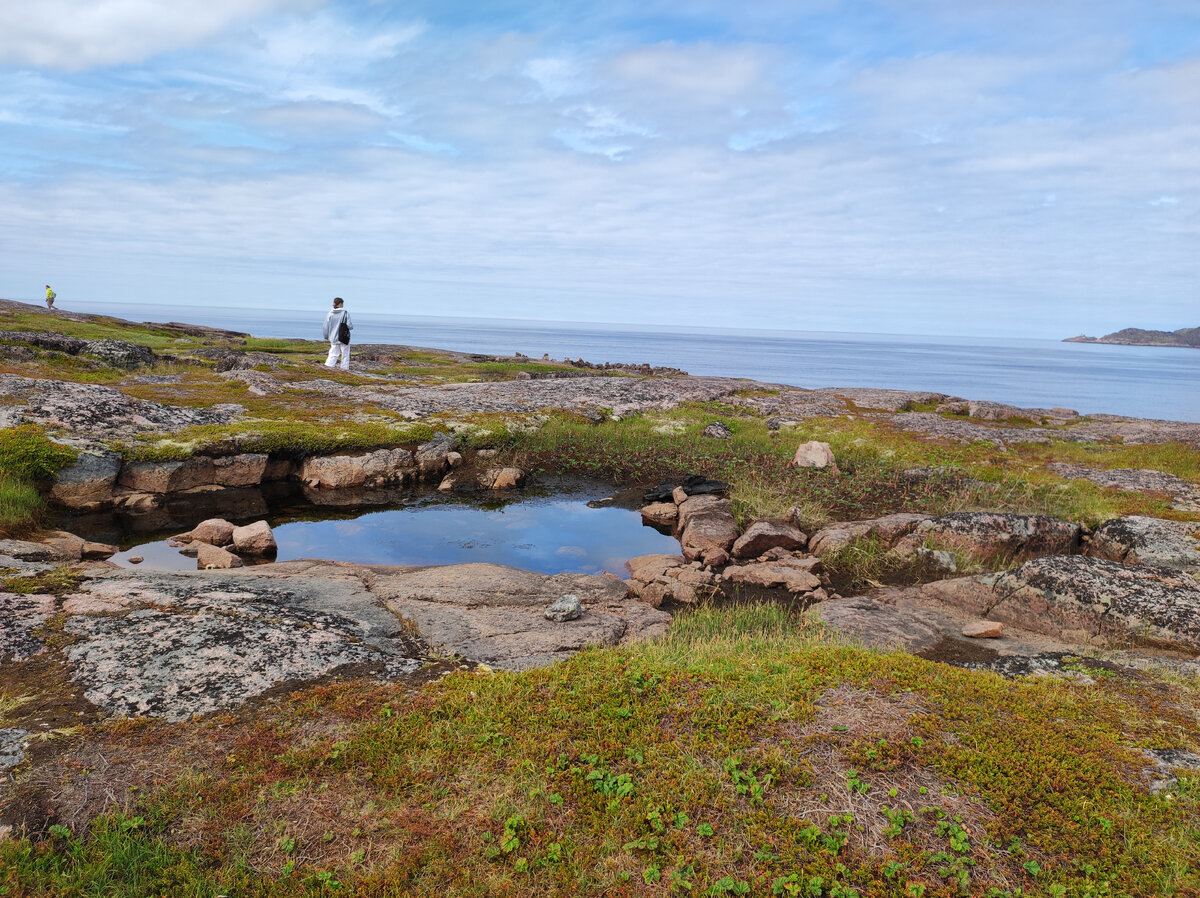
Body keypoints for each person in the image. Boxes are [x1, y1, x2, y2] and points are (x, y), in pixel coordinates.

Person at [322, 296, 353, 370]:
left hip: (333, 337)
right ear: (341, 304)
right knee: (345, 353)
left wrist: (326, 336)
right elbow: (350, 326)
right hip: (343, 337)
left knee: (333, 353)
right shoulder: (345, 313)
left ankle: (329, 367)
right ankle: (344, 368)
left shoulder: (329, 314)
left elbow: (325, 327)